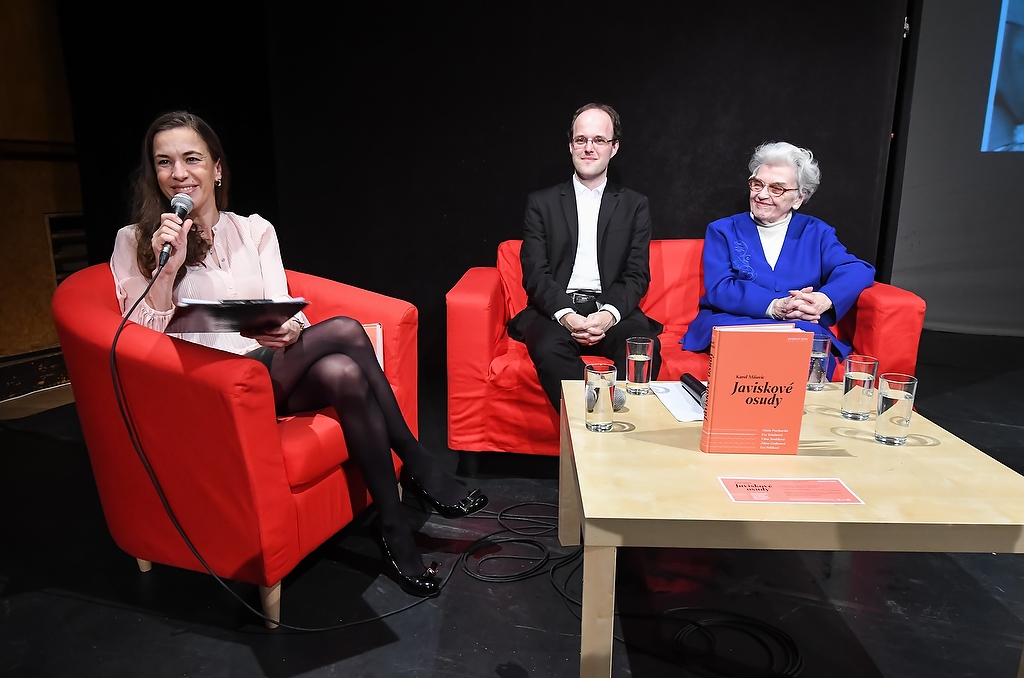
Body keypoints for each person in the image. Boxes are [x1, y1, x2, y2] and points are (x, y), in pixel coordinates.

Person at [109, 111, 486, 597]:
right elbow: (140, 344)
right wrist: (167, 269)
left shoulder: (253, 231)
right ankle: (415, 462)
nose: (178, 173)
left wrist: (287, 329)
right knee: (346, 335)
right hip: (208, 387)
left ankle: (393, 525)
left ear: (217, 169)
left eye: (191, 159)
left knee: (343, 371)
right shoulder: (136, 241)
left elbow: (283, 306)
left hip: (268, 374)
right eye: (164, 162)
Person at [508, 103, 662, 410]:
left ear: (614, 148)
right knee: (548, 348)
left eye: (599, 140)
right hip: (554, 311)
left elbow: (636, 275)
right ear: (571, 145)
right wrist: (567, 315)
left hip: (612, 310)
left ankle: (619, 423)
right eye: (581, 140)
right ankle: (592, 417)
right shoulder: (541, 203)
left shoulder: (635, 205)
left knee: (643, 349)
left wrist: (607, 315)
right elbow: (535, 272)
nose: (589, 148)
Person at [681, 141, 875, 376]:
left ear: (799, 198)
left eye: (777, 189)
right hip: (734, 321)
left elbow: (857, 269)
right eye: (757, 184)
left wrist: (824, 299)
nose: (762, 195)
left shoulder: (816, 232)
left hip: (797, 327)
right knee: (777, 343)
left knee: (807, 342)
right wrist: (775, 306)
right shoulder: (723, 230)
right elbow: (720, 288)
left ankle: (807, 399)